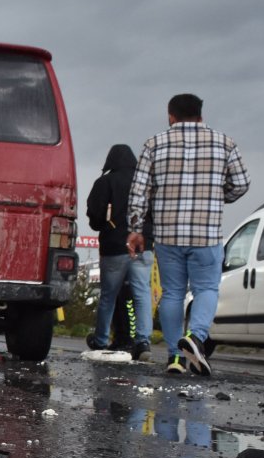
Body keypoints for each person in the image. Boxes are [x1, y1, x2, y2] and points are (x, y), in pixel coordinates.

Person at [128, 94, 248, 375]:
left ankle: (175, 358)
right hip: (207, 233)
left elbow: (138, 191)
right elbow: (241, 183)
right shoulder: (224, 143)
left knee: (172, 293)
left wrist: (135, 228)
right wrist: (220, 197)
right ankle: (196, 337)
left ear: (171, 116)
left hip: (169, 234)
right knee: (206, 288)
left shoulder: (154, 144)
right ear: (200, 116)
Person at [86, 144, 154, 361]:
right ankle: (143, 341)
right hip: (143, 245)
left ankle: (100, 339)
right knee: (142, 294)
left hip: (115, 247)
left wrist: (107, 226)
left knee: (108, 295)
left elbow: (95, 217)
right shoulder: (146, 183)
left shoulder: (105, 181)